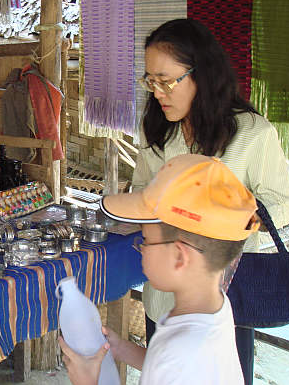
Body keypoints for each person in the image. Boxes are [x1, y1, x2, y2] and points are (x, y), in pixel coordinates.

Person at [132, 18, 289, 384]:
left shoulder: (253, 133)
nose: (156, 92)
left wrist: (222, 215)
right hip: (163, 293)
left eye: (165, 80)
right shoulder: (157, 129)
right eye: (149, 80)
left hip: (223, 298)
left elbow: (284, 206)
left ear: (201, 74)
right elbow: (140, 190)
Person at [59, 154, 260, 385]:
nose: (140, 249)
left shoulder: (178, 354)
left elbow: (172, 365)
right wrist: (122, 349)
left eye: (144, 239)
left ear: (179, 257)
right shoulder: (213, 309)